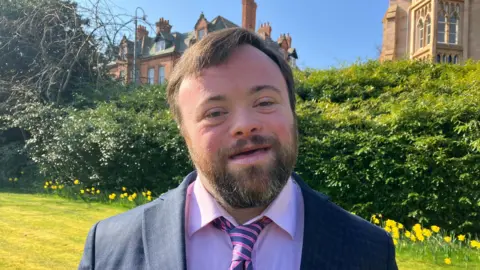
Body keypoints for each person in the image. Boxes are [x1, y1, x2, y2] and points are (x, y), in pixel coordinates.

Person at [78, 27, 398, 270]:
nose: (245, 125)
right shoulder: (108, 247)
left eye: (264, 102)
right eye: (215, 112)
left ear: (293, 112)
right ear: (184, 133)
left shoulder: (370, 251)